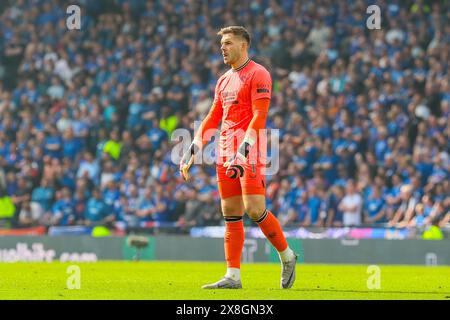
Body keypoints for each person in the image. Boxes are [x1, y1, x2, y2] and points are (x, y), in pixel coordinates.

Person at [179, 26, 297, 289]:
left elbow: (259, 116)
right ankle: (233, 275)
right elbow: (212, 117)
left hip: (249, 150)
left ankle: (287, 255)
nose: (223, 47)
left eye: (228, 43)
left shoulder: (259, 74)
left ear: (244, 45)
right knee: (230, 213)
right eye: (222, 43)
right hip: (224, 151)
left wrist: (243, 150)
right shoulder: (223, 80)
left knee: (254, 209)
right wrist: (192, 149)